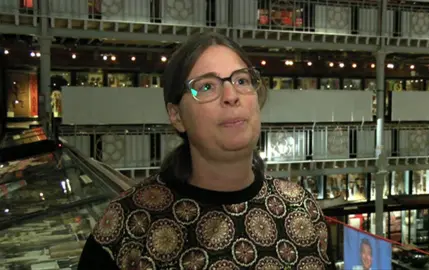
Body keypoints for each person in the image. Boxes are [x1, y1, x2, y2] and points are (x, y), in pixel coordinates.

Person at [78, 31, 334, 270]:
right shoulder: (128, 225)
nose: (231, 95)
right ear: (177, 116)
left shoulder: (301, 208)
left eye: (242, 80)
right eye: (207, 86)